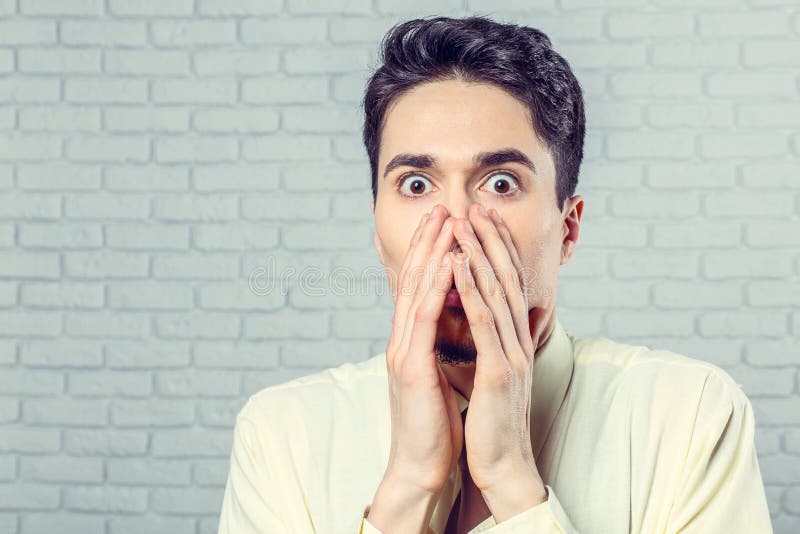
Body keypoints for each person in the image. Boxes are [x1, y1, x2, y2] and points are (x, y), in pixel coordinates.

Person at [217, 15, 773, 534]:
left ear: (568, 230)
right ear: (376, 230)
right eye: (416, 184)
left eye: (500, 183)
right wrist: (408, 485)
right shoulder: (281, 434)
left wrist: (511, 478)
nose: (458, 228)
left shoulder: (691, 417)